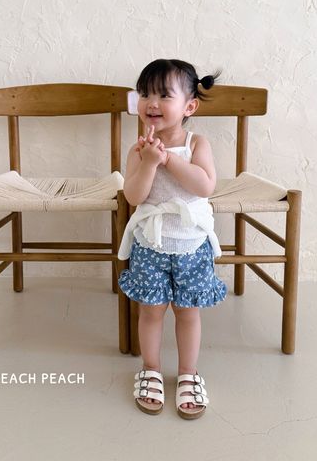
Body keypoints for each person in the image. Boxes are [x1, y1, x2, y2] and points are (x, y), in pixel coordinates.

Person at [117, 58, 227, 419]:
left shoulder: (197, 144)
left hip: (191, 245)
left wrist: (168, 161)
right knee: (151, 312)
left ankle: (187, 373)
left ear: (189, 107)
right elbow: (134, 196)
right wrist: (150, 162)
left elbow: (204, 185)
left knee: (187, 312)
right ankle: (150, 368)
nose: (152, 102)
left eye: (164, 95)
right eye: (145, 94)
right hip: (151, 244)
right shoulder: (138, 150)